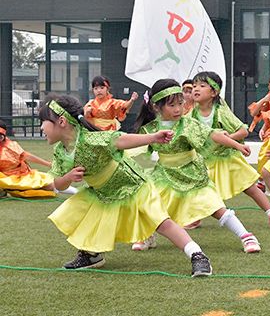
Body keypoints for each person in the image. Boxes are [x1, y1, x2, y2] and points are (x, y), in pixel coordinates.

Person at [40, 95, 213, 277]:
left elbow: (120, 140)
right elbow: (58, 184)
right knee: (89, 217)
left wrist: (153, 137)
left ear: (61, 121)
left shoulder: (92, 139)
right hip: (104, 193)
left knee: (161, 222)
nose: (41, 127)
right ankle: (91, 255)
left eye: (43, 121)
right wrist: (67, 177)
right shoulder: (60, 152)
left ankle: (197, 255)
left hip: (133, 185)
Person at [132, 79, 261, 253]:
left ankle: (246, 236)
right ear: (156, 107)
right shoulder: (149, 129)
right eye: (172, 105)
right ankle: (146, 235)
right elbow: (135, 147)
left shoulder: (188, 124)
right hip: (164, 175)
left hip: (192, 173)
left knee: (216, 207)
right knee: (149, 205)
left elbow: (212, 135)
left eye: (180, 103)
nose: (178, 109)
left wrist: (237, 145)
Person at [190, 71, 270, 230]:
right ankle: (196, 217)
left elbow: (243, 131)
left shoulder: (220, 111)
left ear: (214, 92)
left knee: (250, 188)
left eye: (202, 85)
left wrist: (229, 140)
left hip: (228, 158)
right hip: (207, 160)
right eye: (194, 86)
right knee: (200, 189)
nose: (195, 89)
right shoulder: (192, 114)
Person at [0, 119, 76, 198]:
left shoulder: (11, 146)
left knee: (45, 185)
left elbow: (27, 156)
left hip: (19, 177)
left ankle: (75, 191)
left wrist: (48, 164)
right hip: (5, 178)